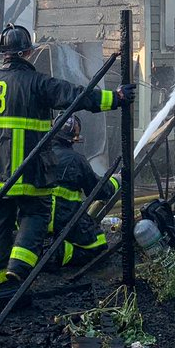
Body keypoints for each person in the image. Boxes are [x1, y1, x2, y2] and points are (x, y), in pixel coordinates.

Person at [0, 23, 135, 286]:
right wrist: (114, 98)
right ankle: (18, 269)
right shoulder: (36, 83)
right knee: (36, 215)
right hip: (30, 172)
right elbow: (74, 96)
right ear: (28, 53)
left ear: (3, 54)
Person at [49, 114, 120, 268]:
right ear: (74, 136)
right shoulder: (76, 160)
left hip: (36, 219)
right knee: (99, 246)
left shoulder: (39, 154)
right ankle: (57, 254)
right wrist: (115, 181)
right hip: (65, 218)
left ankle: (48, 247)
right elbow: (99, 191)